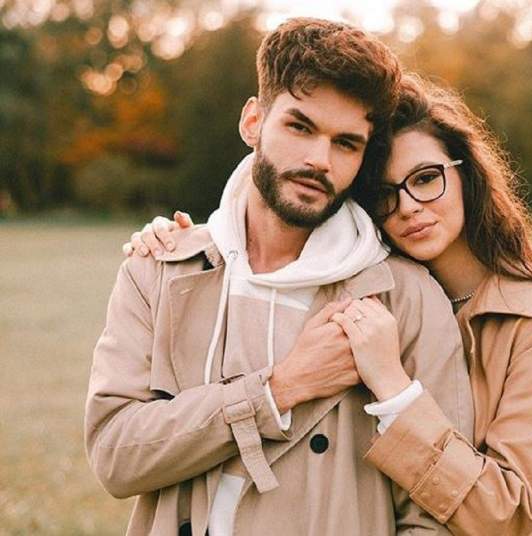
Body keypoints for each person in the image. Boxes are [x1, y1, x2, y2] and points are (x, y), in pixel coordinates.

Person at [130, 74, 532, 535]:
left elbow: (512, 518)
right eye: (384, 194)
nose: (408, 207)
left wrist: (394, 387)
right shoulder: (376, 291)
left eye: (426, 179)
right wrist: (193, 241)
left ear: (466, 173)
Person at [86, 19, 474, 536]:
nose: (319, 160)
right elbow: (114, 456)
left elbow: (436, 513)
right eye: (300, 127)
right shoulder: (158, 269)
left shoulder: (406, 297)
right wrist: (280, 388)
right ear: (253, 122)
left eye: (346, 143)